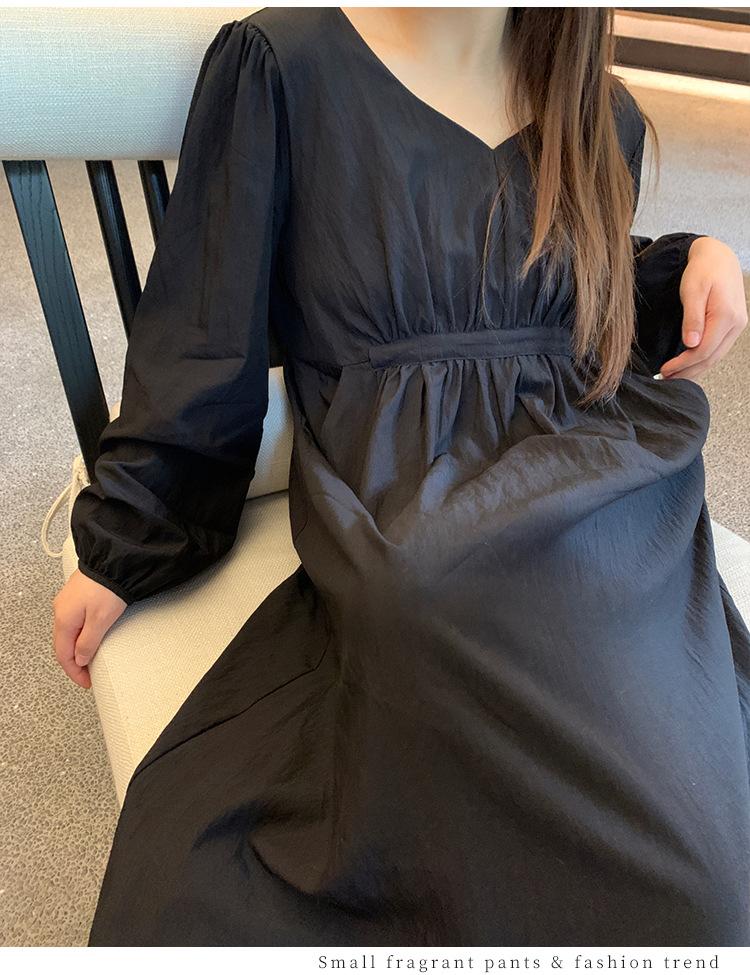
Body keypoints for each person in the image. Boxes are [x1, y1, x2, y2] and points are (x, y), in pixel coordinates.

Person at [52, 7, 750, 946]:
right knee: (423, 604)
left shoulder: (598, 108)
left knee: (700, 878)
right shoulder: (284, 67)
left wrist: (692, 258)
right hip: (408, 510)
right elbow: (203, 333)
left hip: (603, 494)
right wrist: (130, 536)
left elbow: (571, 287)